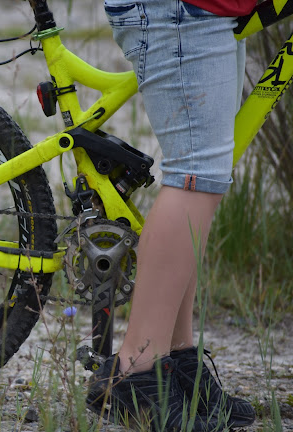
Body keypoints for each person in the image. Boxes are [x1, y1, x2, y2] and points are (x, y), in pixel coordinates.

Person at [86, 0, 258, 430]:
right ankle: (137, 370)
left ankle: (173, 362)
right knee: (194, 178)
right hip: (182, 10)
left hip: (205, 11)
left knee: (201, 178)